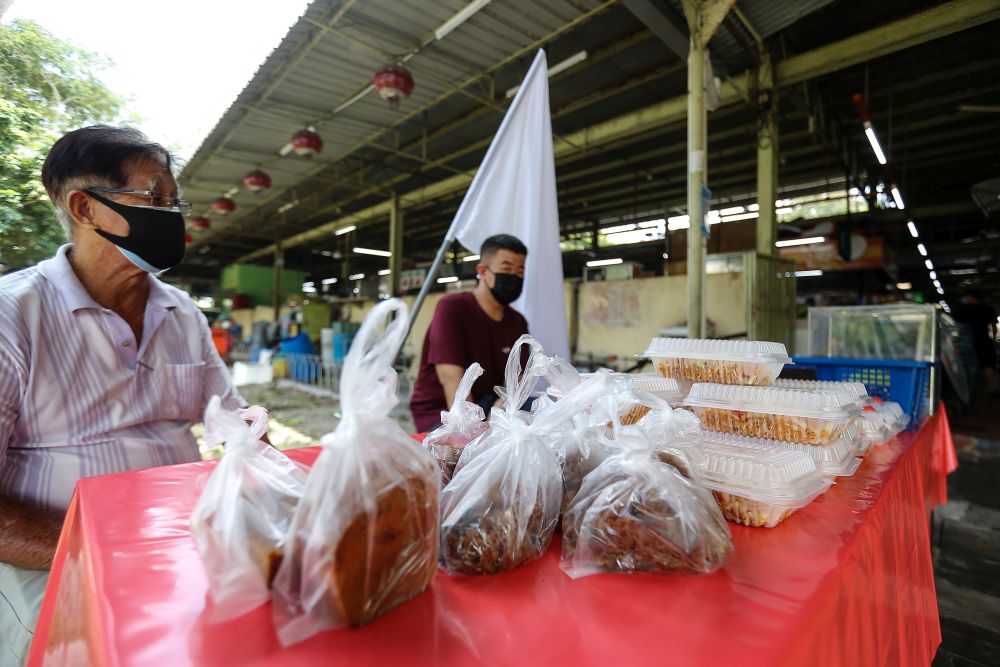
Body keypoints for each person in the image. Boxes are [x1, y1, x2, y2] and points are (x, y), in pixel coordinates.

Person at [0, 126, 246, 663]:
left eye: (174, 201)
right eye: (155, 199)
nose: (172, 215)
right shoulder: (12, 316)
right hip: (50, 560)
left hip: (180, 549)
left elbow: (240, 425)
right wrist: (112, 548)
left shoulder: (181, 313)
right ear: (85, 208)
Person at [410, 235, 529, 432]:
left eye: (520, 271)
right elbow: (452, 383)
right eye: (506, 269)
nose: (514, 278)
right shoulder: (452, 308)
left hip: (491, 404)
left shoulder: (517, 322)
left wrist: (501, 408)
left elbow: (520, 378)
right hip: (444, 411)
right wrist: (473, 432)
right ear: (482, 271)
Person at [952, 289, 999, 394]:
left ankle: (969, 389)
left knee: (968, 364)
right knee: (988, 363)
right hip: (984, 339)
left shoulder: (962, 310)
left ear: (971, 297)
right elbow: (993, 325)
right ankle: (991, 387)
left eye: (966, 297)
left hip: (966, 341)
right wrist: (994, 339)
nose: (964, 299)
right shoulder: (987, 309)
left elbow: (956, 326)